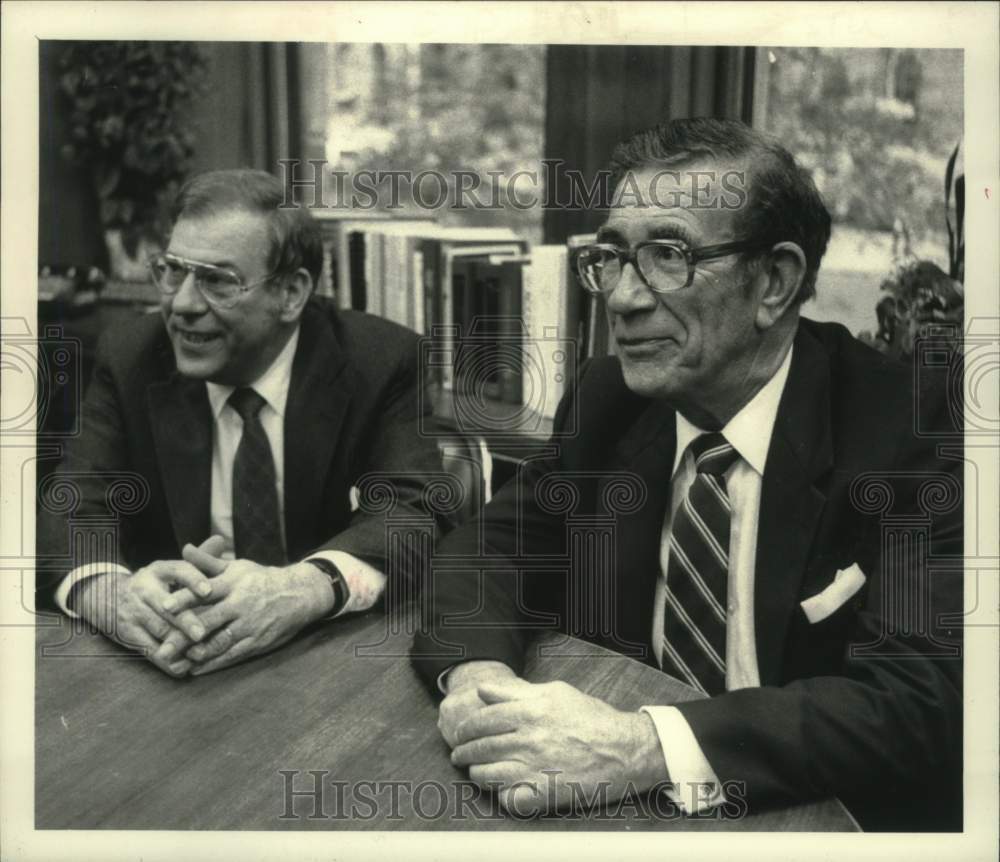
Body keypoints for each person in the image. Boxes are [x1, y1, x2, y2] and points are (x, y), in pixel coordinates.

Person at [410, 119, 963, 831]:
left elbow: (921, 696)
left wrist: (641, 745)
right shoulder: (610, 399)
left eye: (668, 255)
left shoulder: (917, 428)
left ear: (775, 282)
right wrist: (481, 684)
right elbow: (487, 550)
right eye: (611, 258)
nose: (623, 298)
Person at [37, 168, 452, 677]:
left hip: (322, 662)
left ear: (291, 294)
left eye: (217, 280)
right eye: (173, 271)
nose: (182, 304)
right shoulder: (131, 357)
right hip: (174, 665)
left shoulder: (380, 360)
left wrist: (302, 588)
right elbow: (71, 506)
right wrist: (113, 595)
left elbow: (413, 516)